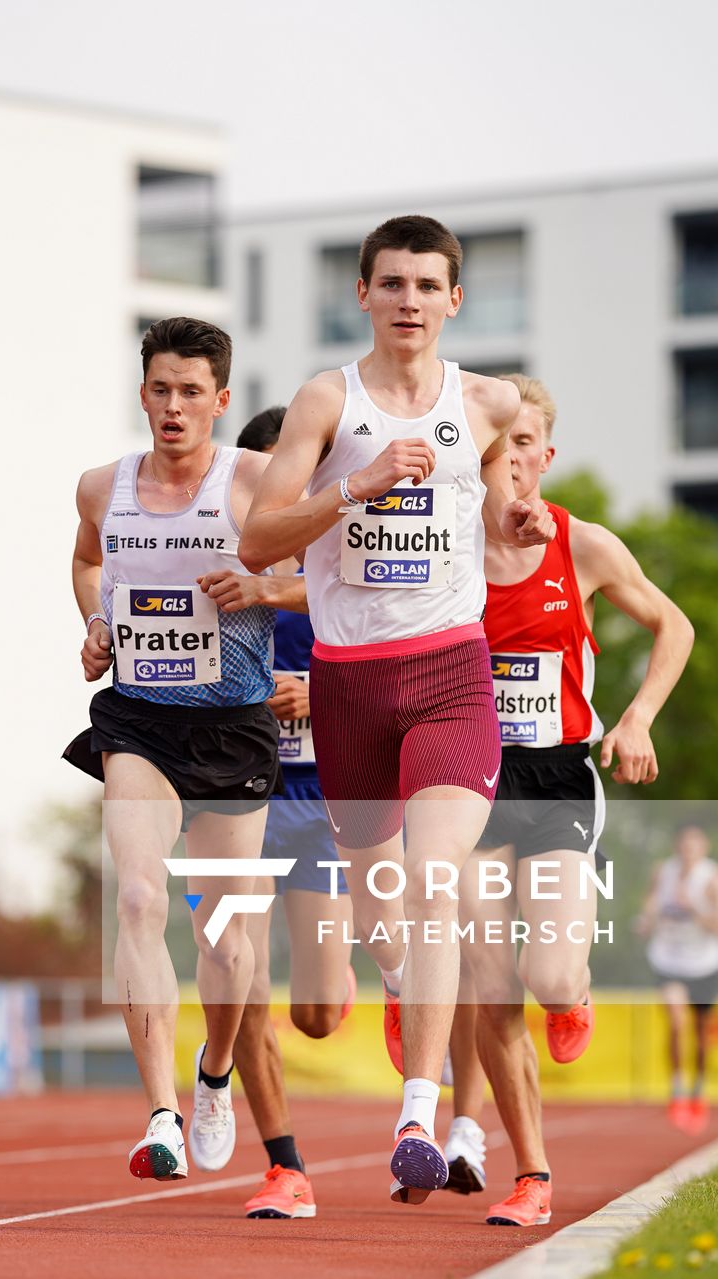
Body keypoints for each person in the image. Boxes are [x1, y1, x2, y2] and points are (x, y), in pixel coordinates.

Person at [239, 215, 554, 1205]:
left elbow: (501, 488)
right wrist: (357, 488)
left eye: (428, 285)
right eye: (393, 284)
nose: (410, 301)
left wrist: (514, 513)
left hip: (452, 675)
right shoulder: (328, 401)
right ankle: (402, 994)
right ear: (365, 296)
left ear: (454, 300)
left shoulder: (489, 400)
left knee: (434, 884)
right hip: (351, 685)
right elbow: (257, 542)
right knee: (387, 914)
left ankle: (418, 1110)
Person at [454, 373, 696, 1227]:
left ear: (545, 456)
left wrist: (635, 719)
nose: (512, 458)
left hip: (557, 779)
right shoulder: (442, 550)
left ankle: (575, 993)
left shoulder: (582, 545)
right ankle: (532, 1174)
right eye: (497, 442)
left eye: (526, 443)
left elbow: (677, 625)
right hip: (471, 780)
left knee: (548, 975)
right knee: (489, 985)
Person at [66, 317, 287, 1183]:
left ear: (221, 401)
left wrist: (265, 586)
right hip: (140, 722)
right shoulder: (100, 487)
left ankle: (214, 1071)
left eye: (192, 391)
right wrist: (94, 622)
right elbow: (87, 563)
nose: (173, 405)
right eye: (160, 388)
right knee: (134, 896)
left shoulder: (259, 481)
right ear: (143, 392)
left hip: (233, 727)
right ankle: (159, 1113)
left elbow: (342, 573)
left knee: (228, 945)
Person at [225, 405, 403, 1219]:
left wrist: (317, 692)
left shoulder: (350, 562)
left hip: (323, 804)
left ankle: (345, 984)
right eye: (258, 478)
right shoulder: (224, 567)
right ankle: (283, 1164)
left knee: (318, 1015)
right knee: (244, 986)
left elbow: (400, 680)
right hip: (241, 802)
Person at [637, 823, 718, 1134]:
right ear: (677, 847)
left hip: (706, 963)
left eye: (694, 847)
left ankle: (698, 1089)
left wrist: (694, 910)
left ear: (704, 848)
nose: (687, 853)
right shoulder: (662, 872)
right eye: (683, 846)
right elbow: (649, 907)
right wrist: (646, 919)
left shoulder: (714, 878)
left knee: (702, 1035)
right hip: (669, 960)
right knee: (676, 1022)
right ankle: (678, 1089)